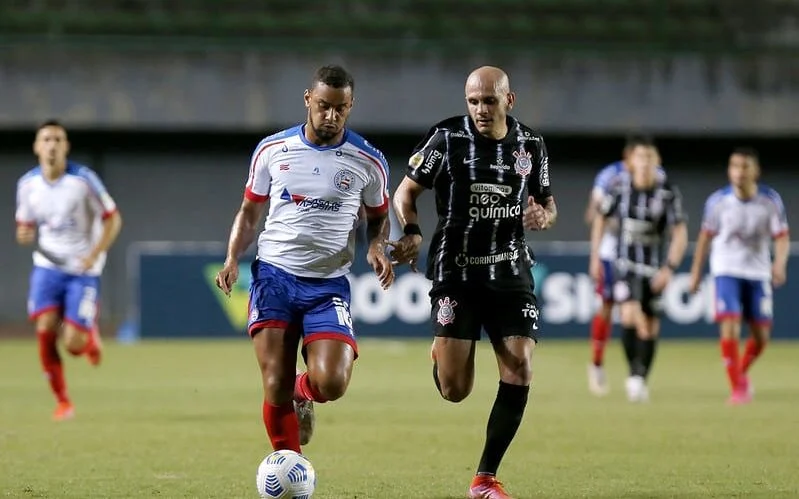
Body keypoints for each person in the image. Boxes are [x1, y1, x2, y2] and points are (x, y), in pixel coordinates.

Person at [391, 66, 556, 499]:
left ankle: (485, 478)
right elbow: (404, 193)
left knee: (520, 365)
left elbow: (546, 202)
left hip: (510, 268)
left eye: (489, 100)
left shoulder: (531, 145)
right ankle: (444, 352)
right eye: (473, 101)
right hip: (457, 272)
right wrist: (411, 231)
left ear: (509, 100)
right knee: (455, 390)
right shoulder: (446, 140)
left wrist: (544, 215)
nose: (481, 109)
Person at [215, 65, 394, 454]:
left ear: (350, 107)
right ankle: (291, 468)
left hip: (328, 283)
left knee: (332, 383)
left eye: (340, 109)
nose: (331, 116)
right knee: (273, 383)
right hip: (274, 277)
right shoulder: (272, 150)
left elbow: (380, 217)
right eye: (324, 106)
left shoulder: (368, 161)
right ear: (308, 100)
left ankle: (304, 391)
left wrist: (377, 246)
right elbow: (249, 211)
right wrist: (232, 258)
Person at [15, 119, 123, 421]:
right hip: (47, 265)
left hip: (82, 269)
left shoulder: (84, 180)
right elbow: (24, 226)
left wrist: (94, 254)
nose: (52, 145)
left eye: (58, 140)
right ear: (37, 147)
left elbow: (113, 219)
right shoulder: (27, 185)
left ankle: (89, 335)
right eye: (46, 139)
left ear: (66, 147)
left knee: (73, 345)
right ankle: (63, 402)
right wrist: (23, 234)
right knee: (45, 328)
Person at [688, 148, 789, 405]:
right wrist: (696, 272)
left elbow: (781, 237)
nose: (739, 172)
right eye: (734, 166)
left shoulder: (770, 201)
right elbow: (704, 238)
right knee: (730, 323)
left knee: (761, 337)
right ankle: (738, 388)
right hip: (726, 269)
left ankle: (740, 373)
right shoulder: (717, 202)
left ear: (756, 171)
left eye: (745, 167)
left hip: (757, 272)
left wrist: (779, 264)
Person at [589, 141, 687, 403]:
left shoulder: (667, 193)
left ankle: (639, 375)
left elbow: (679, 233)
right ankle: (634, 375)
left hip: (654, 269)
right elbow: (599, 217)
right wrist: (596, 256)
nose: (644, 163)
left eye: (649, 157)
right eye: (639, 157)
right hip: (624, 265)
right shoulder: (619, 188)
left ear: (657, 162)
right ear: (631, 162)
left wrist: (670, 268)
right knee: (629, 315)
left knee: (650, 326)